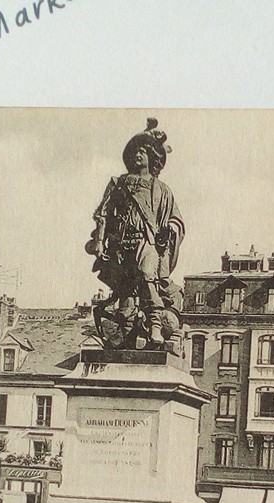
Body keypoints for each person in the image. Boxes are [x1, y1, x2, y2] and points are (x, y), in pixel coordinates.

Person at [87, 118, 185, 348]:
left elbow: (176, 219)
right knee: (125, 289)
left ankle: (155, 325)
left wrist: (170, 229)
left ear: (153, 157)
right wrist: (100, 242)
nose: (138, 155)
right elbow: (102, 213)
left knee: (145, 275)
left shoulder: (162, 189)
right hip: (121, 243)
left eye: (143, 151)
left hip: (147, 240)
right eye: (135, 152)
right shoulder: (118, 183)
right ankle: (127, 333)